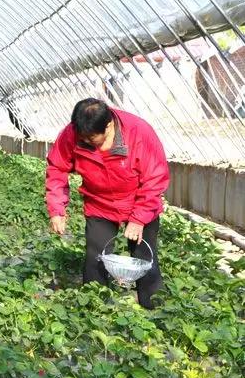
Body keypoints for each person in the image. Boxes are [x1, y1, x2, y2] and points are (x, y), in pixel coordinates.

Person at [46, 98, 169, 309]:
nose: (88, 143)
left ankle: (156, 311)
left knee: (145, 258)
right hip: (99, 204)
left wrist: (139, 219)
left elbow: (155, 178)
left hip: (138, 203)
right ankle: (94, 311)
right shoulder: (72, 135)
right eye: (83, 139)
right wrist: (57, 210)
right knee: (96, 258)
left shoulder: (139, 132)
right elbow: (57, 168)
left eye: (93, 139)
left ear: (109, 125)